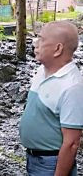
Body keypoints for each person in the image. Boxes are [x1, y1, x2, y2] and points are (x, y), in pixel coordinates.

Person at [19, 21, 83, 176]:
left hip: (50, 164)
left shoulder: (72, 87)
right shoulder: (42, 70)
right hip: (33, 158)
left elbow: (72, 143)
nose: (35, 44)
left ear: (58, 49)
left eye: (41, 39)